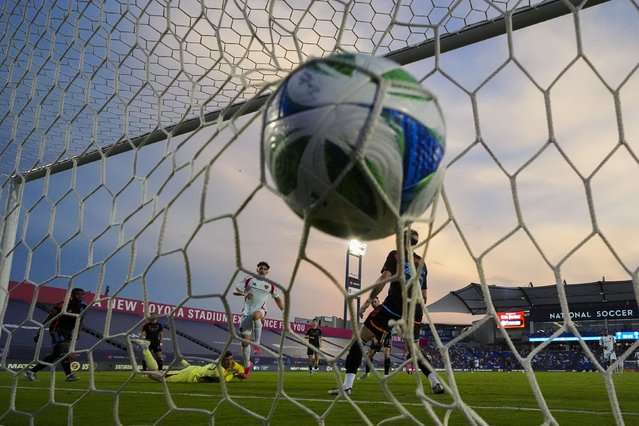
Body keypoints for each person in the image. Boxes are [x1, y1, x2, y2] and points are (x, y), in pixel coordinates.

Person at [328, 229, 444, 396]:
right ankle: (436, 383)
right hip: (415, 309)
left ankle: (347, 386)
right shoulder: (422, 263)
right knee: (414, 350)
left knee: (361, 339)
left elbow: (384, 278)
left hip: (394, 305)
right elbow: (424, 296)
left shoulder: (395, 255)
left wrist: (369, 300)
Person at [24, 288, 87, 382]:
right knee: (63, 347)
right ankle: (69, 375)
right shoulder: (62, 305)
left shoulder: (83, 306)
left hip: (68, 331)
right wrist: (39, 332)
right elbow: (49, 318)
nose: (80, 296)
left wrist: (78, 332)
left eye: (82, 294)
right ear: (72, 295)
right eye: (78, 294)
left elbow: (80, 319)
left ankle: (68, 375)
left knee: (59, 353)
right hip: (57, 329)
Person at [233, 261, 284, 373]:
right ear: (257, 269)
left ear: (267, 272)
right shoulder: (249, 280)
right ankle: (247, 366)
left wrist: (284, 311)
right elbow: (235, 291)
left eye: (265, 269)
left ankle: (257, 344)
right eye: (260, 268)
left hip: (261, 311)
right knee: (245, 343)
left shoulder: (270, 285)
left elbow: (278, 299)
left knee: (256, 315)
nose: (262, 270)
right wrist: (244, 294)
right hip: (246, 314)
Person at [131, 339, 247, 382]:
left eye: (231, 360)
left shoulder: (222, 360)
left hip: (194, 369)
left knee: (186, 367)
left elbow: (238, 368)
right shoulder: (218, 372)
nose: (230, 362)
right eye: (227, 360)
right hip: (189, 376)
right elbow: (224, 379)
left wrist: (242, 371)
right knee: (156, 376)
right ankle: (145, 348)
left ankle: (180, 359)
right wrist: (236, 374)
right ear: (221, 361)